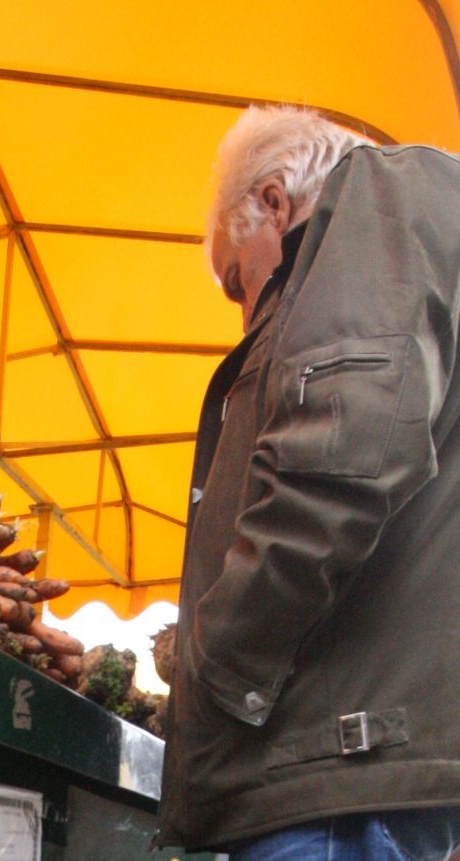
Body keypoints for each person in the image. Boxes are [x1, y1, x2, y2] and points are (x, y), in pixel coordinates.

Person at [155, 105, 460, 859]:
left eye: (236, 282)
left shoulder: (371, 207)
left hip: (332, 780)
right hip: (355, 774)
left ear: (272, 203)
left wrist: (211, 667)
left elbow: (342, 459)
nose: (243, 311)